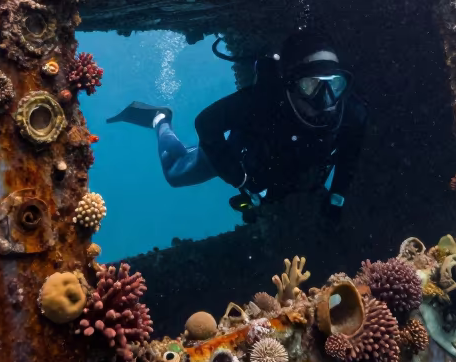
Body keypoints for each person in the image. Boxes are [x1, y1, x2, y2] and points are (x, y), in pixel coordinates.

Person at [108, 29, 367, 222]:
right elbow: (206, 123)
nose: (325, 100)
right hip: (241, 151)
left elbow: (349, 156)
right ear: (291, 84)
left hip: (283, 167)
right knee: (176, 174)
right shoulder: (262, 102)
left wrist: (337, 197)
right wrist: (238, 177)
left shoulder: (351, 114)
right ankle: (159, 119)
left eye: (334, 85)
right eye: (311, 85)